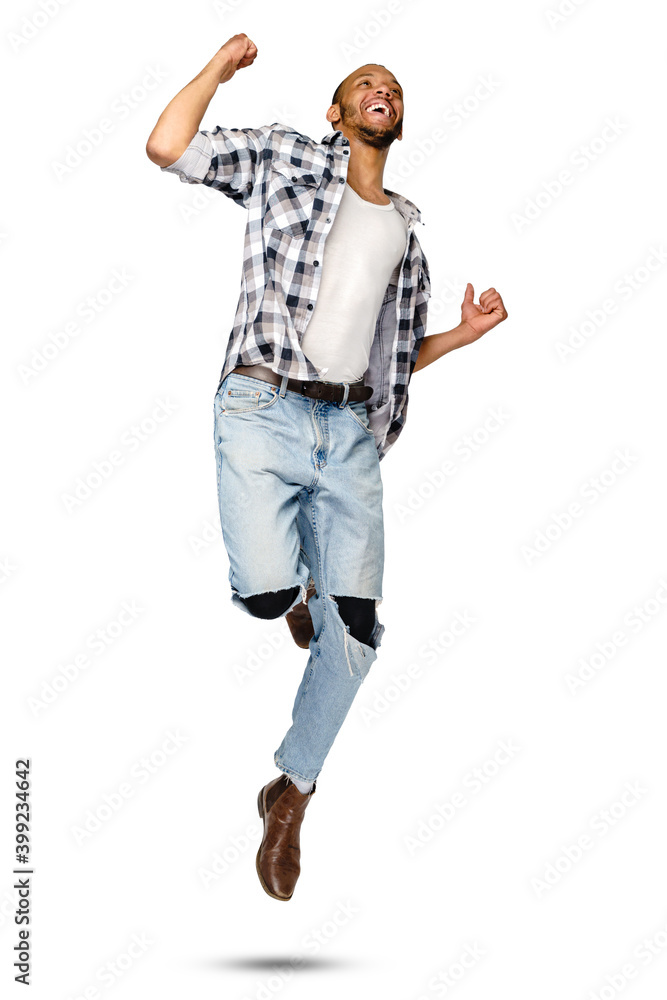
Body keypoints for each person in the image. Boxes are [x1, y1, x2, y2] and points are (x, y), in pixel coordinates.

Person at [146, 33, 508, 902]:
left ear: (397, 119)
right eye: (363, 84)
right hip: (261, 406)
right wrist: (217, 71)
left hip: (347, 435)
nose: (382, 89)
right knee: (266, 594)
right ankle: (295, 591)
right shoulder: (283, 159)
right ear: (337, 115)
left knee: (357, 638)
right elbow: (169, 147)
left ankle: (290, 793)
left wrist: (458, 336)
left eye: (392, 86)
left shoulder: (406, 240)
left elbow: (384, 361)